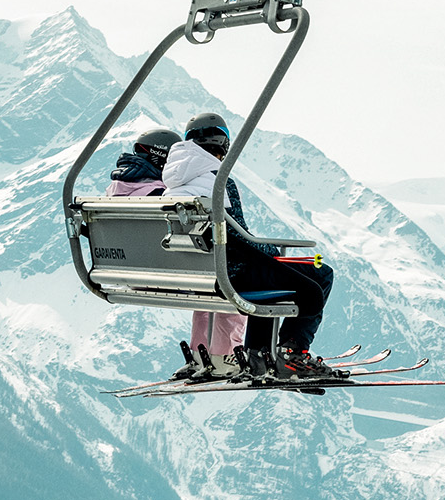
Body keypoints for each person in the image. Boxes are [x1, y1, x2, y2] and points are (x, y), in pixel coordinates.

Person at [161, 110, 338, 377]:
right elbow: (242, 239)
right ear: (224, 145)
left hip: (196, 275)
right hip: (230, 274)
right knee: (321, 273)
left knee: (269, 274)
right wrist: (273, 254)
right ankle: (292, 353)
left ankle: (259, 356)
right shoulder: (218, 182)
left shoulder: (172, 186)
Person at [106, 130, 246, 377]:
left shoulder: (114, 190)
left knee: (207, 281)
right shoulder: (161, 193)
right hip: (172, 272)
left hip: (130, 272)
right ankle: (224, 355)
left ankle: (200, 355)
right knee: (228, 281)